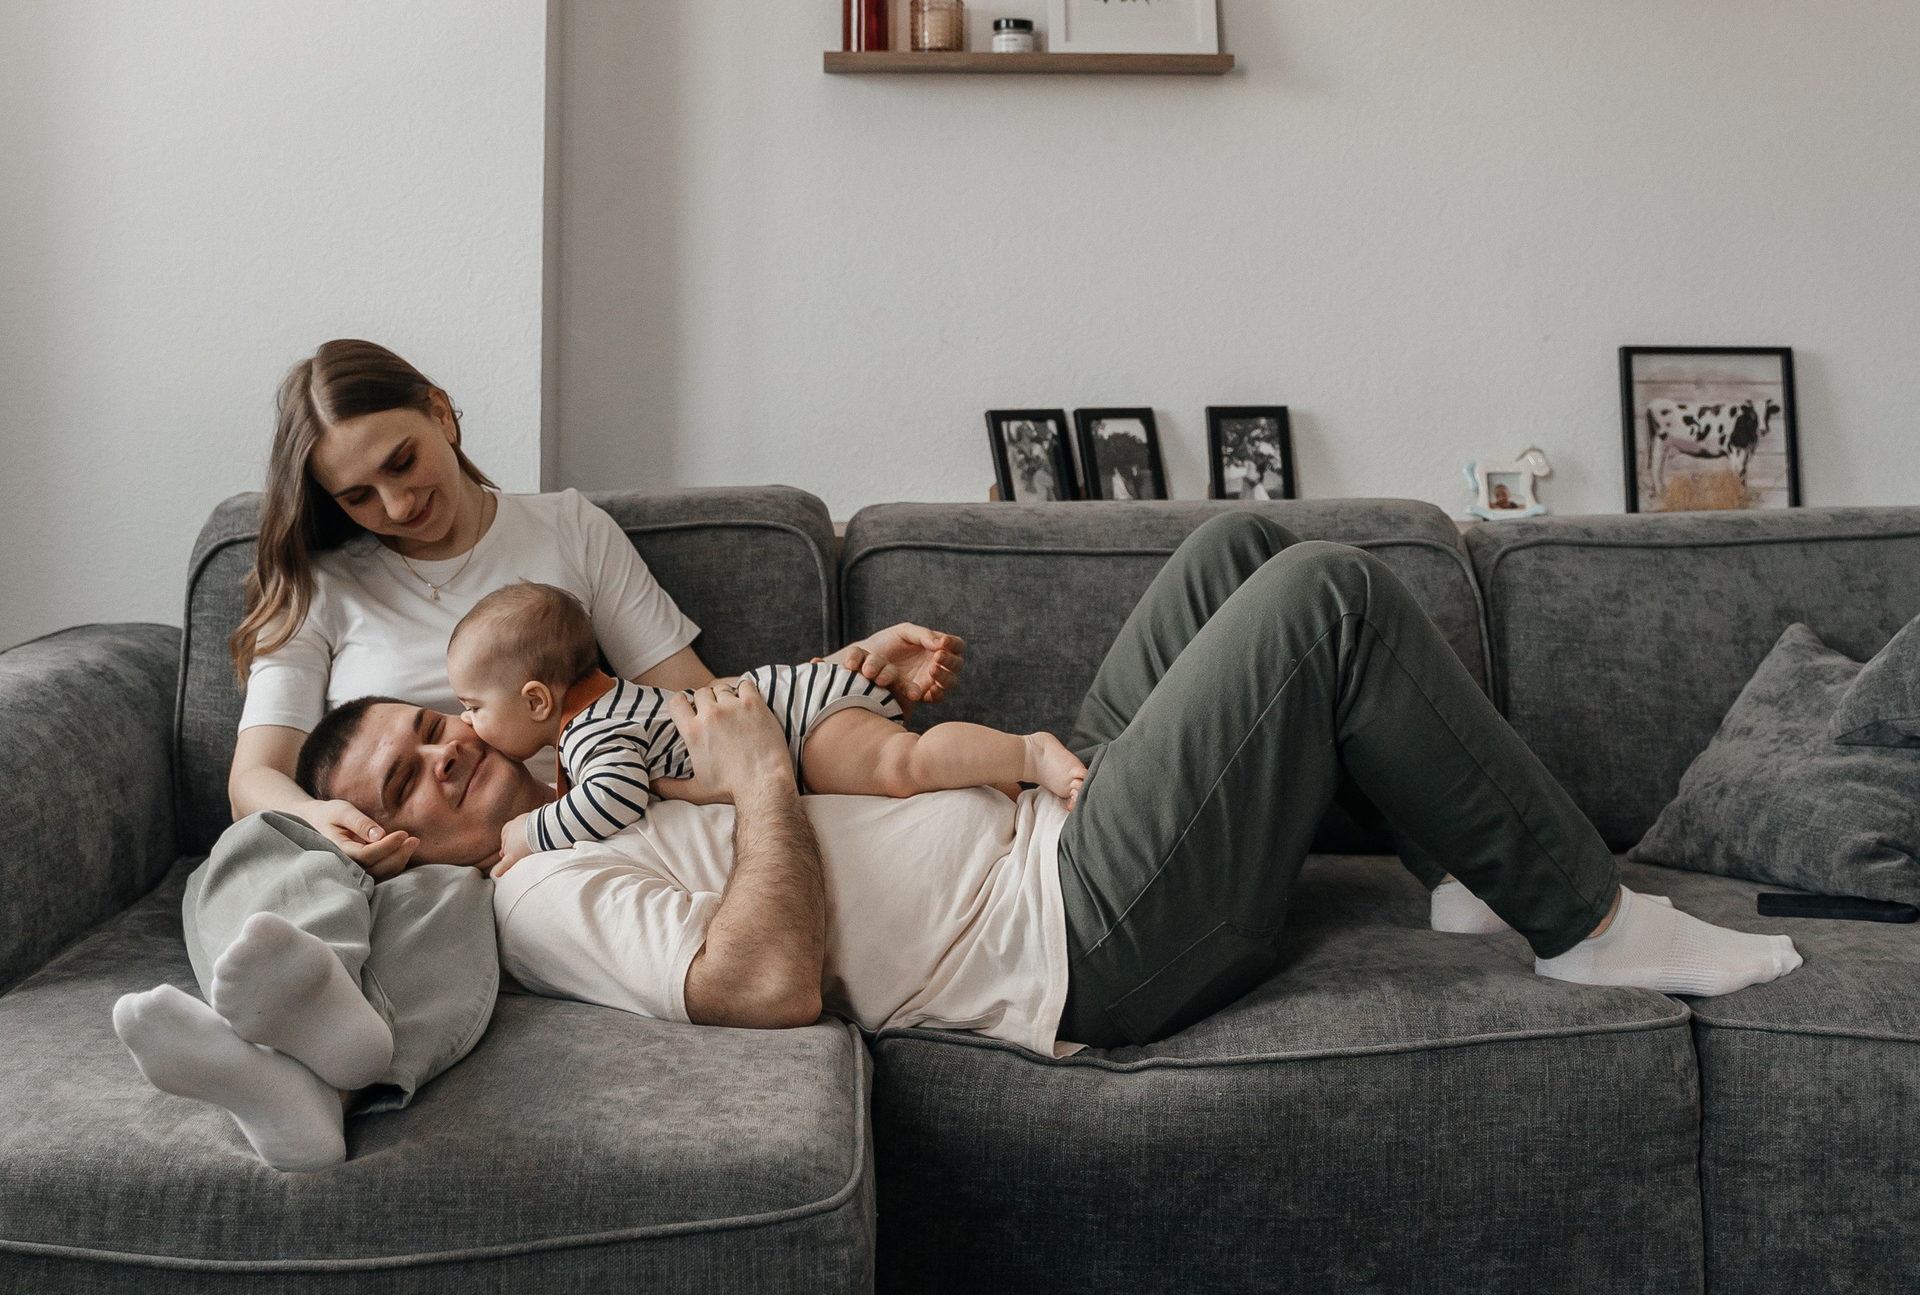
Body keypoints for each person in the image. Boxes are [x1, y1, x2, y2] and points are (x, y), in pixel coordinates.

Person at [319, 519, 1804, 1057]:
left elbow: (757, 713)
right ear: (391, 836)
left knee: (1238, 549)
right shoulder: (540, 893)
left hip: (1044, 825)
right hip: (1079, 933)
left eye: (435, 727)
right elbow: (760, 988)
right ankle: (1589, 922)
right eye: (413, 776)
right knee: (1326, 596)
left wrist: (850, 670)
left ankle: (1467, 865)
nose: (448, 752)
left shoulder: (592, 755)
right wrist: (765, 780)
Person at [109, 337, 717, 1168]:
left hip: (528, 846)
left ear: (441, 413)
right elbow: (254, 777)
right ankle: (304, 1069)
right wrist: (324, 818)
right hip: (384, 847)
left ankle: (316, 1079)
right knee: (255, 844)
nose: (396, 506)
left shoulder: (568, 529)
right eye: (358, 495)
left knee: (450, 898)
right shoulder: (320, 585)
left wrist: (834, 686)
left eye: (402, 462)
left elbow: (689, 705)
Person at [435, 581, 1089, 870]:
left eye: (472, 705)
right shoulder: (619, 700)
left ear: (537, 701)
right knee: (906, 779)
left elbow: (614, 799)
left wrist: (529, 831)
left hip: (797, 728)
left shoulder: (591, 733)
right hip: (789, 701)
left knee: (903, 764)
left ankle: (1028, 754)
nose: (466, 721)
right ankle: (1001, 787)